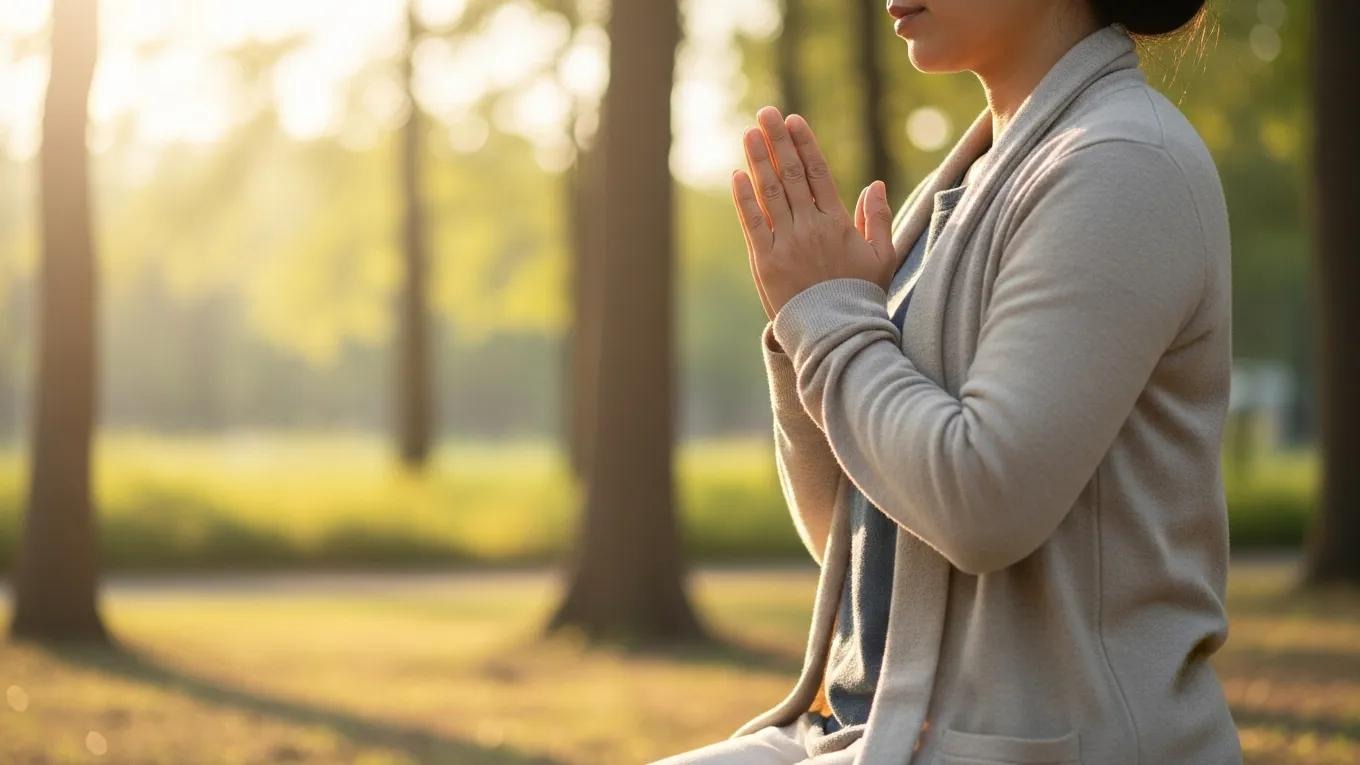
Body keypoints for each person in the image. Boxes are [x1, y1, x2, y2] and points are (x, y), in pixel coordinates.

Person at [650, 1, 1241, 763]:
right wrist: (809, 326)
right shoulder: (971, 181)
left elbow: (981, 504)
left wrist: (828, 322)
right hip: (872, 733)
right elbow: (860, 536)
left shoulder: (1124, 161)